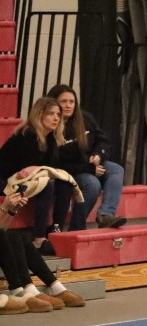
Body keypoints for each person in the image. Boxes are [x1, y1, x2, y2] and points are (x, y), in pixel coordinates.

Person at [0, 98, 78, 252]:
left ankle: (56, 230)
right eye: (50, 114)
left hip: (25, 181)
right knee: (47, 184)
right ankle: (39, 238)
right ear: (39, 114)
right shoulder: (26, 135)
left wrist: (37, 168)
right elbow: (24, 172)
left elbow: (52, 167)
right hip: (5, 181)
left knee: (65, 184)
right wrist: (38, 169)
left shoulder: (50, 137)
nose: (56, 118)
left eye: (58, 114)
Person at [45, 85, 126, 230]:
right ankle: (77, 227)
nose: (68, 105)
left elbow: (103, 141)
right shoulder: (51, 124)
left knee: (116, 169)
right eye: (63, 101)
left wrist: (98, 154)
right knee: (92, 184)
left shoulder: (85, 118)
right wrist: (89, 169)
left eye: (72, 101)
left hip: (90, 164)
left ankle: (105, 214)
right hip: (70, 170)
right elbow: (56, 163)